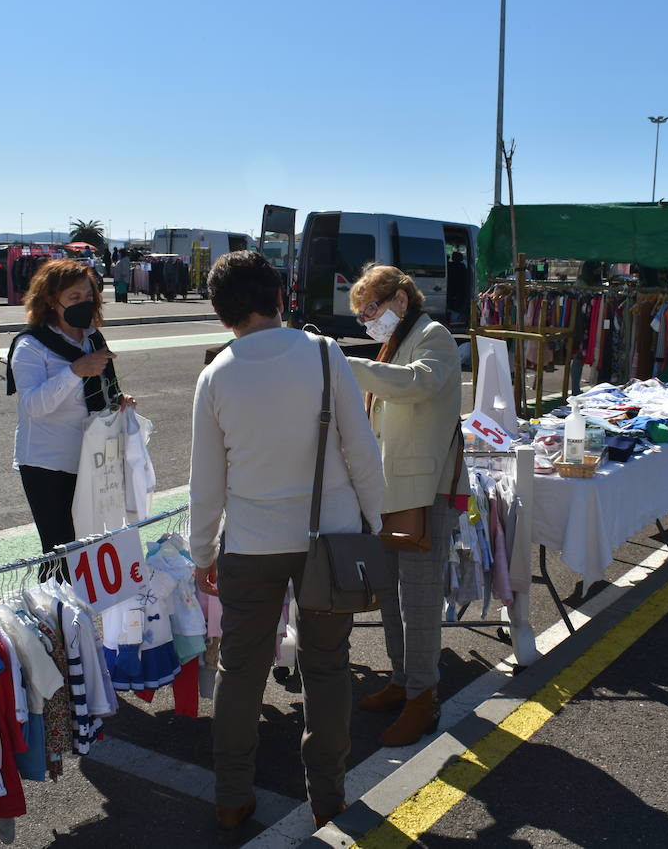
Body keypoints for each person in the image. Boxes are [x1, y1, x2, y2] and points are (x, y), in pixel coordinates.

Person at [188, 251, 384, 840]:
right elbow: (361, 450)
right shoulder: (326, 356)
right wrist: (376, 526)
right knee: (327, 669)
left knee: (240, 672)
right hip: (330, 537)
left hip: (250, 544)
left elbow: (207, 483)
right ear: (279, 297)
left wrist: (202, 556)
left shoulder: (216, 374)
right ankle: (327, 798)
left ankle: (231, 797)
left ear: (224, 314)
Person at [345, 263, 467, 746]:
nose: (367, 321)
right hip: (393, 489)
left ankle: (424, 697)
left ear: (400, 299)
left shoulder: (433, 336)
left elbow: (417, 383)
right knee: (393, 597)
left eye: (370, 309)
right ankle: (402, 680)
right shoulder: (397, 340)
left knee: (417, 602)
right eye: (361, 315)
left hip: (423, 490)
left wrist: (347, 365)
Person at [5, 259, 133, 571]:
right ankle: (55, 618)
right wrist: (75, 372)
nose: (84, 303)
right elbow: (34, 406)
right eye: (74, 298)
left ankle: (83, 616)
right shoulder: (30, 346)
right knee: (60, 555)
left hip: (92, 460)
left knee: (90, 549)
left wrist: (118, 401)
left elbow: (103, 389)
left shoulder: (93, 338)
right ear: (51, 300)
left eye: (88, 296)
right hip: (47, 464)